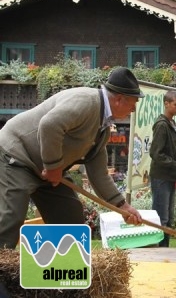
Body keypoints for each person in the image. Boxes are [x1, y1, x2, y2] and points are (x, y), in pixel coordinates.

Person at [0, 67, 144, 249]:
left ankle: (65, 271)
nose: (133, 108)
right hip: (16, 155)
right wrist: (52, 166)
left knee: (69, 217)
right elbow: (49, 124)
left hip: (45, 169)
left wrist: (122, 206)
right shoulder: (86, 101)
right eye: (133, 103)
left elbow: (99, 174)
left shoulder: (103, 129)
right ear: (119, 99)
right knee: (11, 218)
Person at [149, 90, 176, 247]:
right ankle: (158, 250)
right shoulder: (162, 125)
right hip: (161, 177)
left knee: (168, 217)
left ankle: (165, 249)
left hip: (169, 176)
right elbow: (156, 153)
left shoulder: (172, 124)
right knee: (161, 217)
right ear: (166, 104)